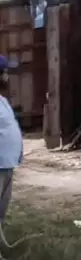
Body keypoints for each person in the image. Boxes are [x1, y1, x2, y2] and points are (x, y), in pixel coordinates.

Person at [0, 55, 22, 236]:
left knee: (2, 208)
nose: (7, 76)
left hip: (7, 164)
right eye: (5, 72)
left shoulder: (3, 100)